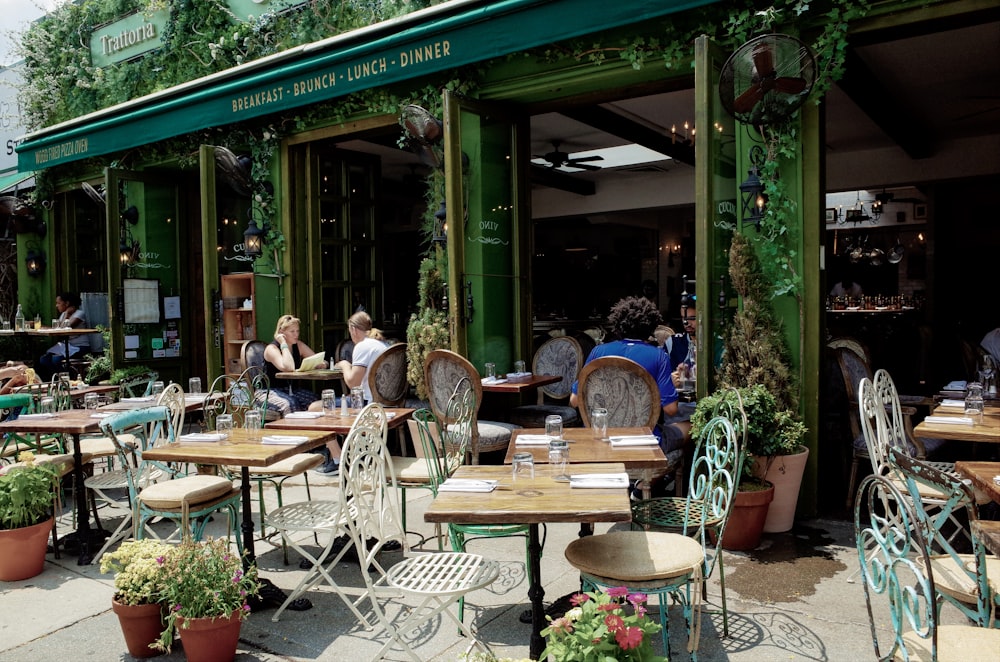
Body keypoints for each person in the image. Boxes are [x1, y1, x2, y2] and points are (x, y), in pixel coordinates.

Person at [569, 296, 684, 456]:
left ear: (618, 325)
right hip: (644, 440)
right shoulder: (658, 356)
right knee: (691, 426)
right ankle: (655, 479)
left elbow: (574, 401)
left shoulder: (598, 352)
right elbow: (671, 409)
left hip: (600, 438)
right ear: (651, 327)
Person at [263, 314, 327, 416]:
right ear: (281, 332)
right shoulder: (272, 349)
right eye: (292, 331)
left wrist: (321, 364)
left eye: (297, 331)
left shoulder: (299, 345)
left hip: (291, 390)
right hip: (269, 391)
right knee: (291, 404)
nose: (296, 335)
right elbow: (288, 367)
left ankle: (310, 429)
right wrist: (283, 343)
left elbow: (319, 359)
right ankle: (292, 431)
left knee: (316, 401)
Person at [37, 292, 88, 381]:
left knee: (56, 360)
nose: (57, 306)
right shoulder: (63, 314)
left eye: (59, 303)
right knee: (44, 359)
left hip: (79, 346)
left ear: (67, 303)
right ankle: (52, 380)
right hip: (66, 345)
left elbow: (66, 327)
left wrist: (68, 314)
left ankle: (66, 380)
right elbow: (58, 328)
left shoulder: (79, 314)